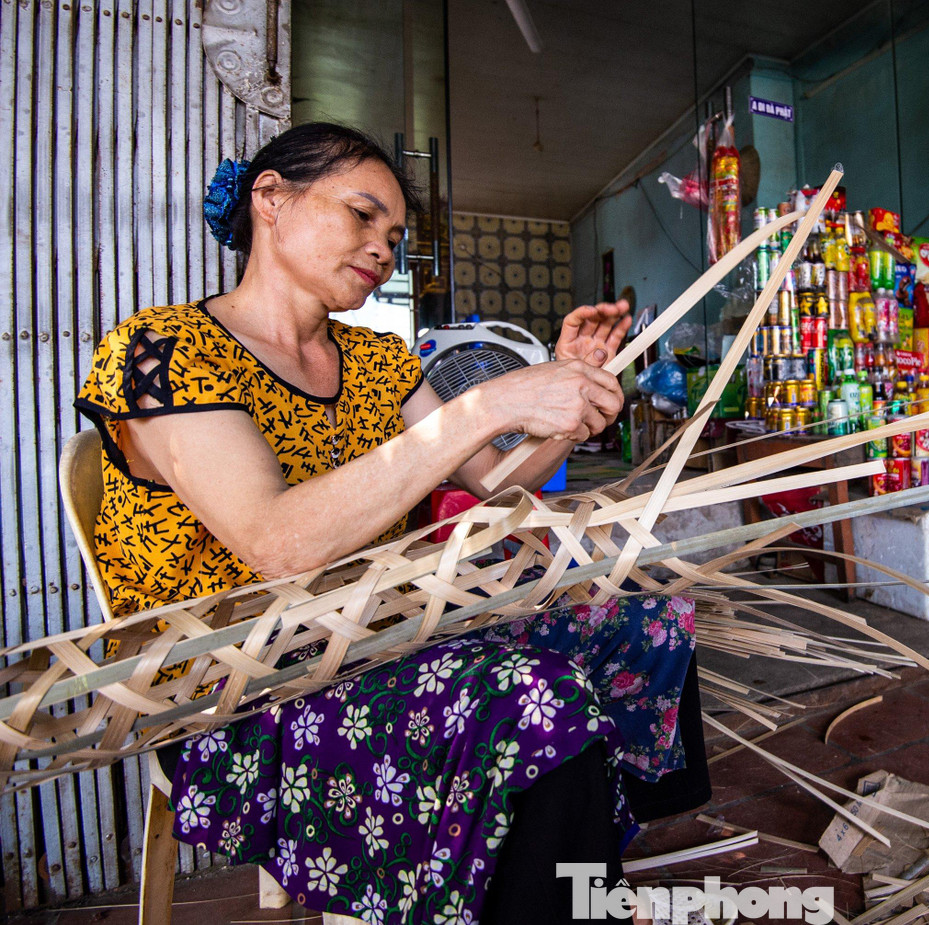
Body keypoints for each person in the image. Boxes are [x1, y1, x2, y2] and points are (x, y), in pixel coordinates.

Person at [75, 122, 708, 924]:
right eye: (362, 215)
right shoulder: (165, 348)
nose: (383, 247)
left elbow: (492, 481)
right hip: (240, 688)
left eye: (396, 235)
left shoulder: (378, 359)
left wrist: (565, 404)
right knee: (528, 696)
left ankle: (574, 875)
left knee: (637, 616)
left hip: (378, 632)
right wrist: (493, 400)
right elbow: (277, 542)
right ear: (271, 199)